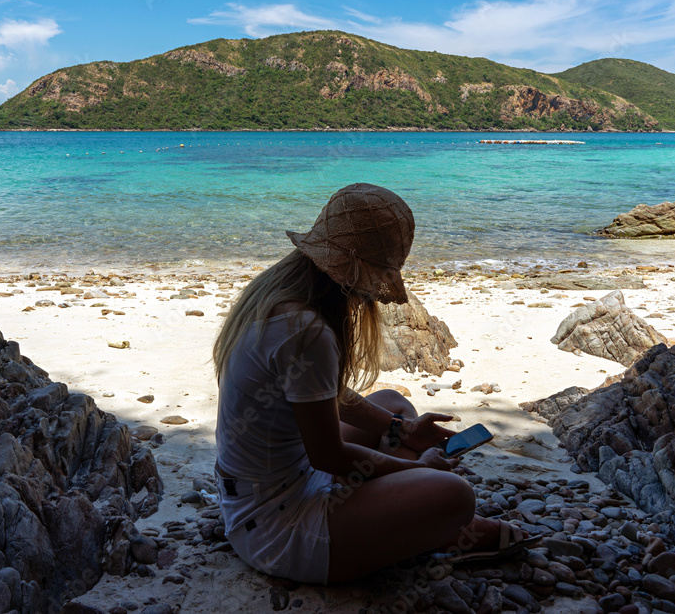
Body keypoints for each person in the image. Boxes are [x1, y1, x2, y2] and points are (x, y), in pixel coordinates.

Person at [212, 183, 536, 585]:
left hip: (257, 494)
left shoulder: (276, 294)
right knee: (454, 494)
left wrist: (401, 429)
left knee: (391, 405)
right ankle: (434, 533)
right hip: (278, 528)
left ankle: (394, 513)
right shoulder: (306, 332)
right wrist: (415, 465)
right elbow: (327, 455)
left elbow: (330, 395)